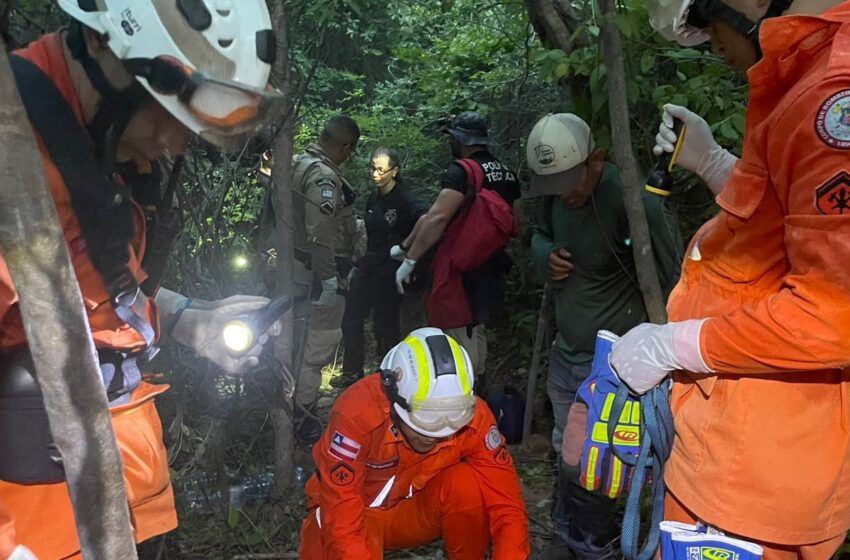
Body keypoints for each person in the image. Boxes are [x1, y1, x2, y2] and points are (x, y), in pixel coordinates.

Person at [0, 1, 282, 558]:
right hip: (39, 519)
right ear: (103, 50)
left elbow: (82, 290)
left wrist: (182, 318)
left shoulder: (97, 145)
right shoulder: (14, 161)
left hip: (124, 492)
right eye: (166, 114)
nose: (176, 144)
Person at [612, 0, 850, 556]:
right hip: (738, 449)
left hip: (753, 473)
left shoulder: (829, 96)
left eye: (708, 23)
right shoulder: (805, 73)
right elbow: (781, 232)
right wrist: (718, 164)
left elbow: (834, 313)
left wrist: (677, 344)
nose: (713, 44)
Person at [525, 114, 682, 560]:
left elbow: (673, 281)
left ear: (596, 160)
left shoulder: (631, 202)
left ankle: (592, 543)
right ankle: (567, 530)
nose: (563, 193)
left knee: (599, 460)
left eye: (570, 181)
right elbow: (538, 233)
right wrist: (545, 255)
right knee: (565, 447)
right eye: (552, 184)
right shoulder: (555, 197)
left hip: (613, 366)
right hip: (565, 352)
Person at [298, 327, 530, 559]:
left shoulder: (475, 418)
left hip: (409, 511)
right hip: (347, 512)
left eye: (451, 422)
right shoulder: (357, 413)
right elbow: (343, 518)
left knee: (465, 487)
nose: (435, 433)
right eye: (424, 420)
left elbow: (507, 507)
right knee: (330, 532)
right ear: (395, 398)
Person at [393, 112, 520, 388]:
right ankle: (479, 386)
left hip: (460, 268)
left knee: (458, 331)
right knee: (477, 327)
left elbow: (438, 217)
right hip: (492, 265)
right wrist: (405, 246)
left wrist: (411, 260)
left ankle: (465, 394)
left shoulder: (462, 171)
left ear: (459, 139)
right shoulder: (507, 173)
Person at [286, 115, 360, 441]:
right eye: (350, 150)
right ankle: (303, 416)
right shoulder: (323, 176)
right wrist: (330, 280)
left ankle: (289, 410)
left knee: (293, 343)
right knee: (317, 347)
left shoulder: (295, 163)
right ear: (344, 146)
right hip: (313, 273)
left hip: (292, 271)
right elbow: (320, 234)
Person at [335, 148, 423, 389]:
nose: (375, 174)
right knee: (352, 315)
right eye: (372, 168)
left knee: (385, 322)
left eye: (381, 169)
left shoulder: (404, 199)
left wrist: (406, 248)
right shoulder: (374, 199)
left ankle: (388, 373)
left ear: (394, 171)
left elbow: (426, 220)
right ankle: (352, 372)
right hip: (368, 264)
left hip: (390, 267)